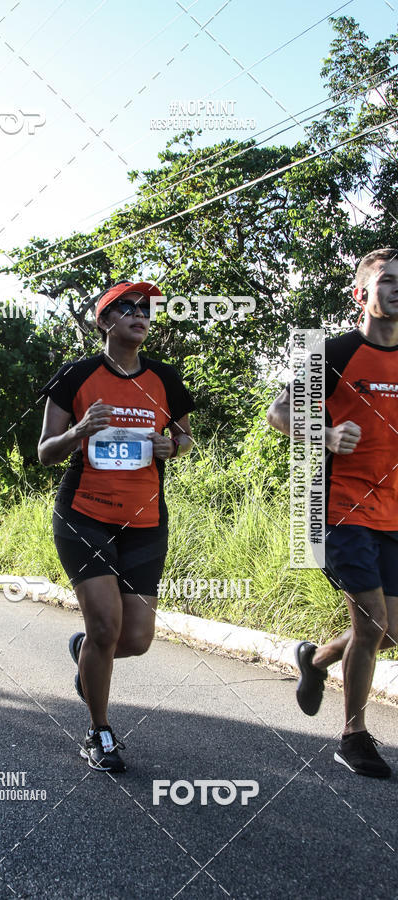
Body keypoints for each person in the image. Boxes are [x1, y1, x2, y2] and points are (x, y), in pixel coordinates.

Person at [38, 281, 195, 772]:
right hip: (84, 513)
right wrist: (78, 430)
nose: (138, 314)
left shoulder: (165, 378)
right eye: (125, 307)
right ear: (104, 322)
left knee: (136, 639)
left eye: (145, 309)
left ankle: (85, 654)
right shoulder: (77, 376)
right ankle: (99, 731)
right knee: (106, 626)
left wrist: (175, 446)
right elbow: (45, 452)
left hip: (146, 519)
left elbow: (185, 437)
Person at [267, 248, 398, 779]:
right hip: (338, 507)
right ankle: (354, 736)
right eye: (388, 280)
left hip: (393, 513)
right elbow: (278, 412)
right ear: (360, 294)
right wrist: (322, 432)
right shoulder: (336, 352)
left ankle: (315, 661)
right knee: (371, 624)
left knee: (389, 633)